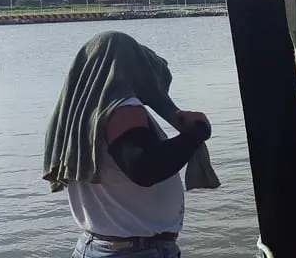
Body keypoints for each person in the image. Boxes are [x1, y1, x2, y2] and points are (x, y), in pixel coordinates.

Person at [43, 31, 220, 258]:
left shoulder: (83, 115)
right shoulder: (123, 109)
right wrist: (197, 132)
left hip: (104, 244)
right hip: (133, 250)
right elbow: (144, 168)